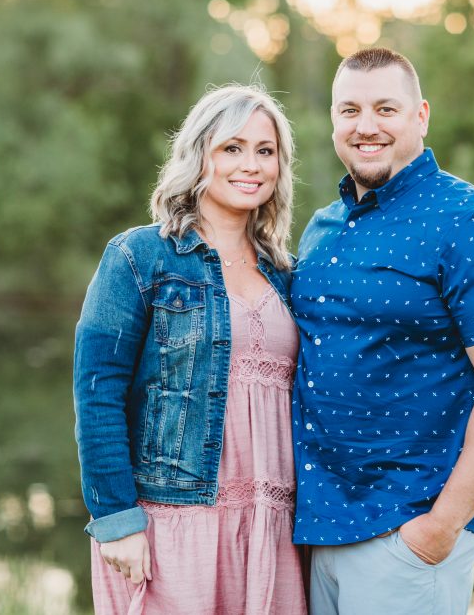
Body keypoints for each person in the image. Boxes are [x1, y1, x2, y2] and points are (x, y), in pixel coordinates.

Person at [290, 47, 474, 615]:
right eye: (349, 110)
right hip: (318, 530)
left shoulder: (473, 225)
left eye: (386, 109)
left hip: (409, 533)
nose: (366, 126)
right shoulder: (321, 228)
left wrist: (440, 529)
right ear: (333, 120)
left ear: (421, 116)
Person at [73, 84, 307, 614]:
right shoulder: (140, 257)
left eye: (265, 151)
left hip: (273, 527)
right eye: (232, 147)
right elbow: (97, 393)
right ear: (199, 154)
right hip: (175, 522)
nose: (251, 164)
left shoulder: (287, 276)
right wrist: (117, 521)